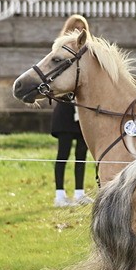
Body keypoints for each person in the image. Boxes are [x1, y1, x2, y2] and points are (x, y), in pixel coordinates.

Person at [51, 15, 91, 206]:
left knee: (82, 153)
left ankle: (79, 193)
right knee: (63, 152)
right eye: (74, 27)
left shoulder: (87, 55)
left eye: (81, 28)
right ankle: (59, 194)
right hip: (65, 111)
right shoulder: (59, 54)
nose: (77, 31)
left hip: (82, 111)